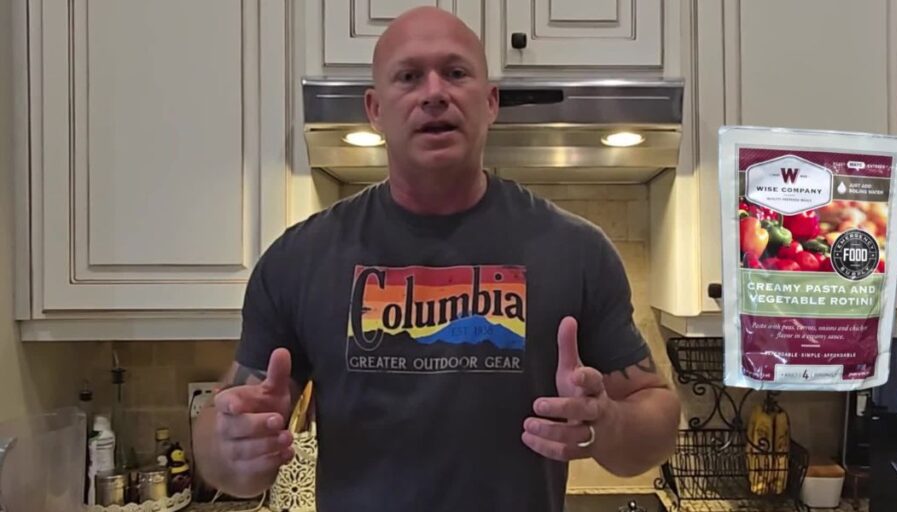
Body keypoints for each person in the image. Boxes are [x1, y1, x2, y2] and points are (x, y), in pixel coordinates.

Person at [193, 6, 681, 510]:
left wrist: (608, 424)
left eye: (455, 73)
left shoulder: (577, 251)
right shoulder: (298, 260)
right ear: (375, 109)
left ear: (490, 102)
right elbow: (222, 449)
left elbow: (655, 414)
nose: (433, 92)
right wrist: (234, 446)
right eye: (408, 77)